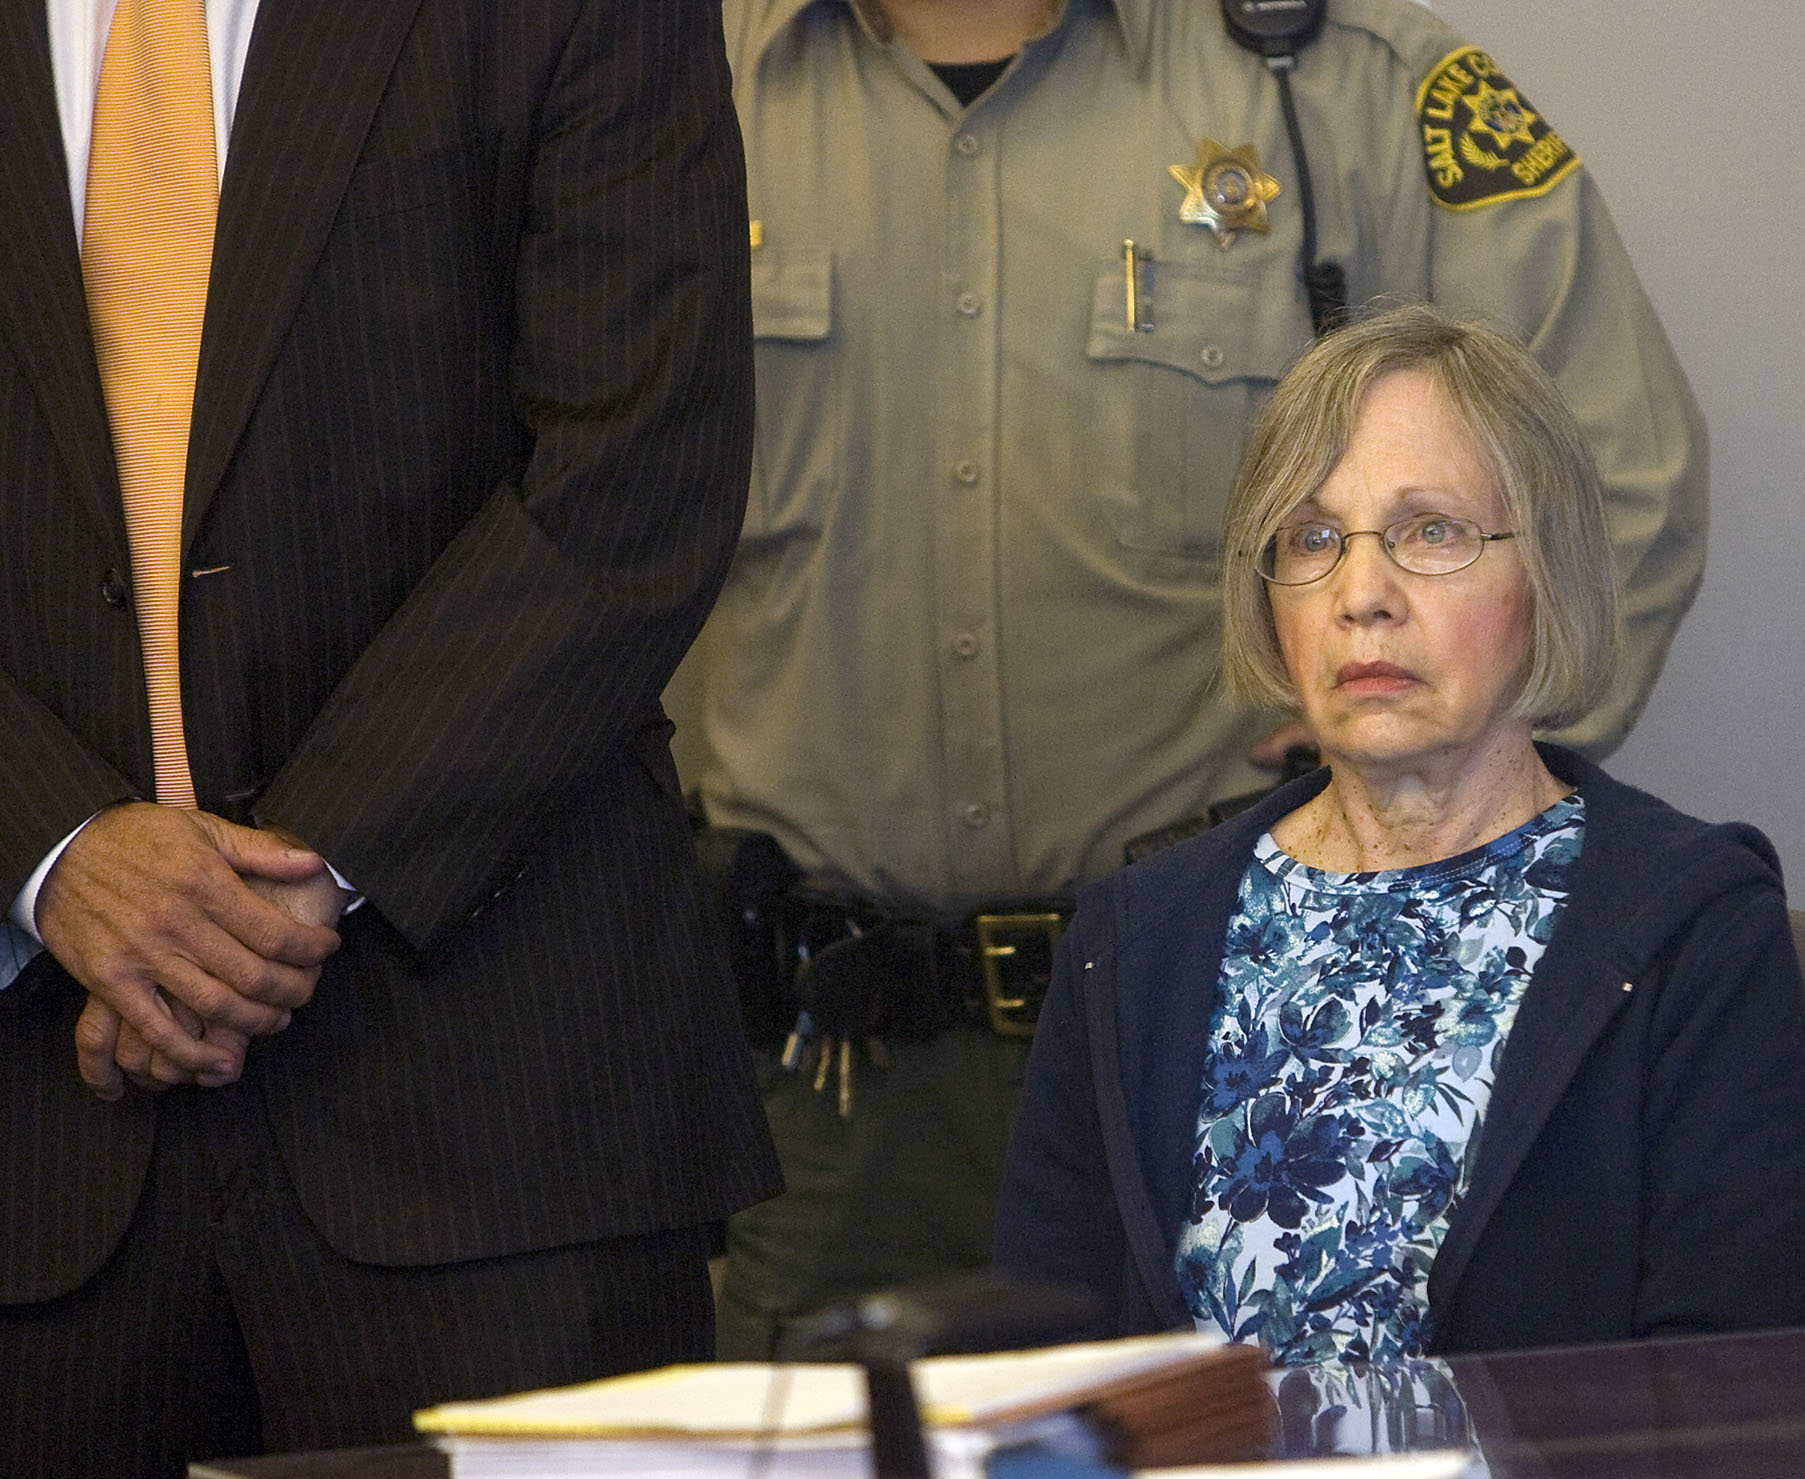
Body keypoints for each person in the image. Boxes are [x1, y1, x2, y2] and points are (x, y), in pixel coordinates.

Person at [681, 0, 1709, 1357]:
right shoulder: (673, 78)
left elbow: (1622, 490)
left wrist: (1415, 778)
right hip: (818, 1086)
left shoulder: (1333, 78)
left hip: (1217, 1054)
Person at [0, 1, 777, 1473]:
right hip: (37, 1127)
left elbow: (635, 464)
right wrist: (51, 845)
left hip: (494, 1098)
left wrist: (298, 867)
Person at [992, 304, 1805, 1358]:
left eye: (1429, 531)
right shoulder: (1130, 941)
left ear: (1545, 574)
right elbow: (1033, 1376)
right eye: (1311, 538)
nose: (1361, 595)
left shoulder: (1691, 931)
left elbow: (1746, 1397)